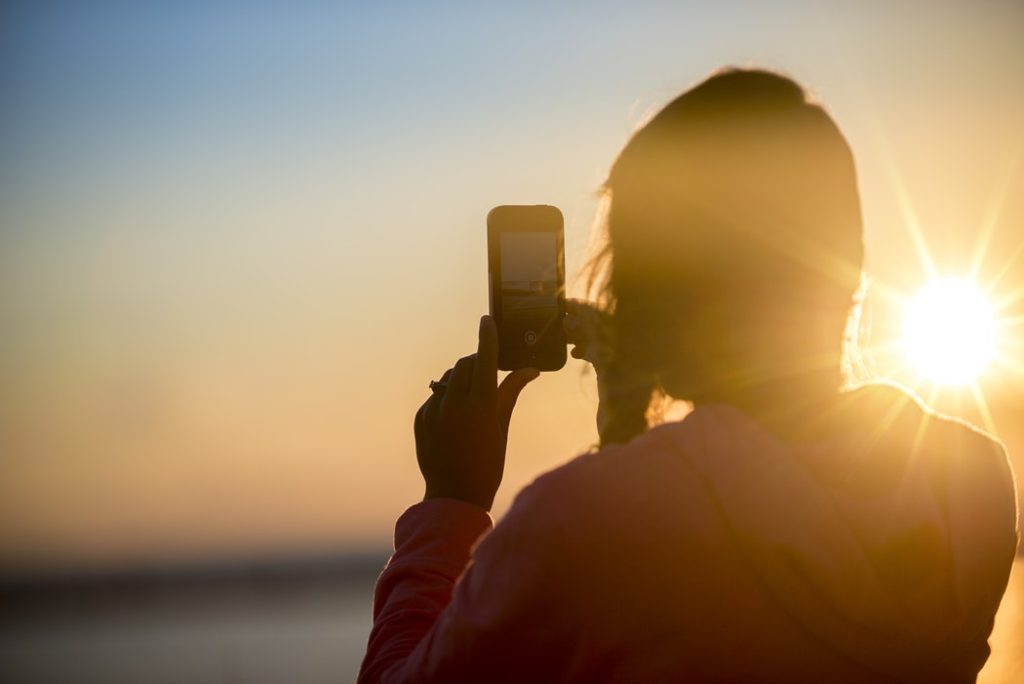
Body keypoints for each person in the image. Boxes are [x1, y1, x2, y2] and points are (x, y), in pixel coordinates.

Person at [357, 68, 1019, 683]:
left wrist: (450, 501)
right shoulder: (974, 484)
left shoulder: (578, 522)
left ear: (647, 285)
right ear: (850, 261)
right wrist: (624, 429)